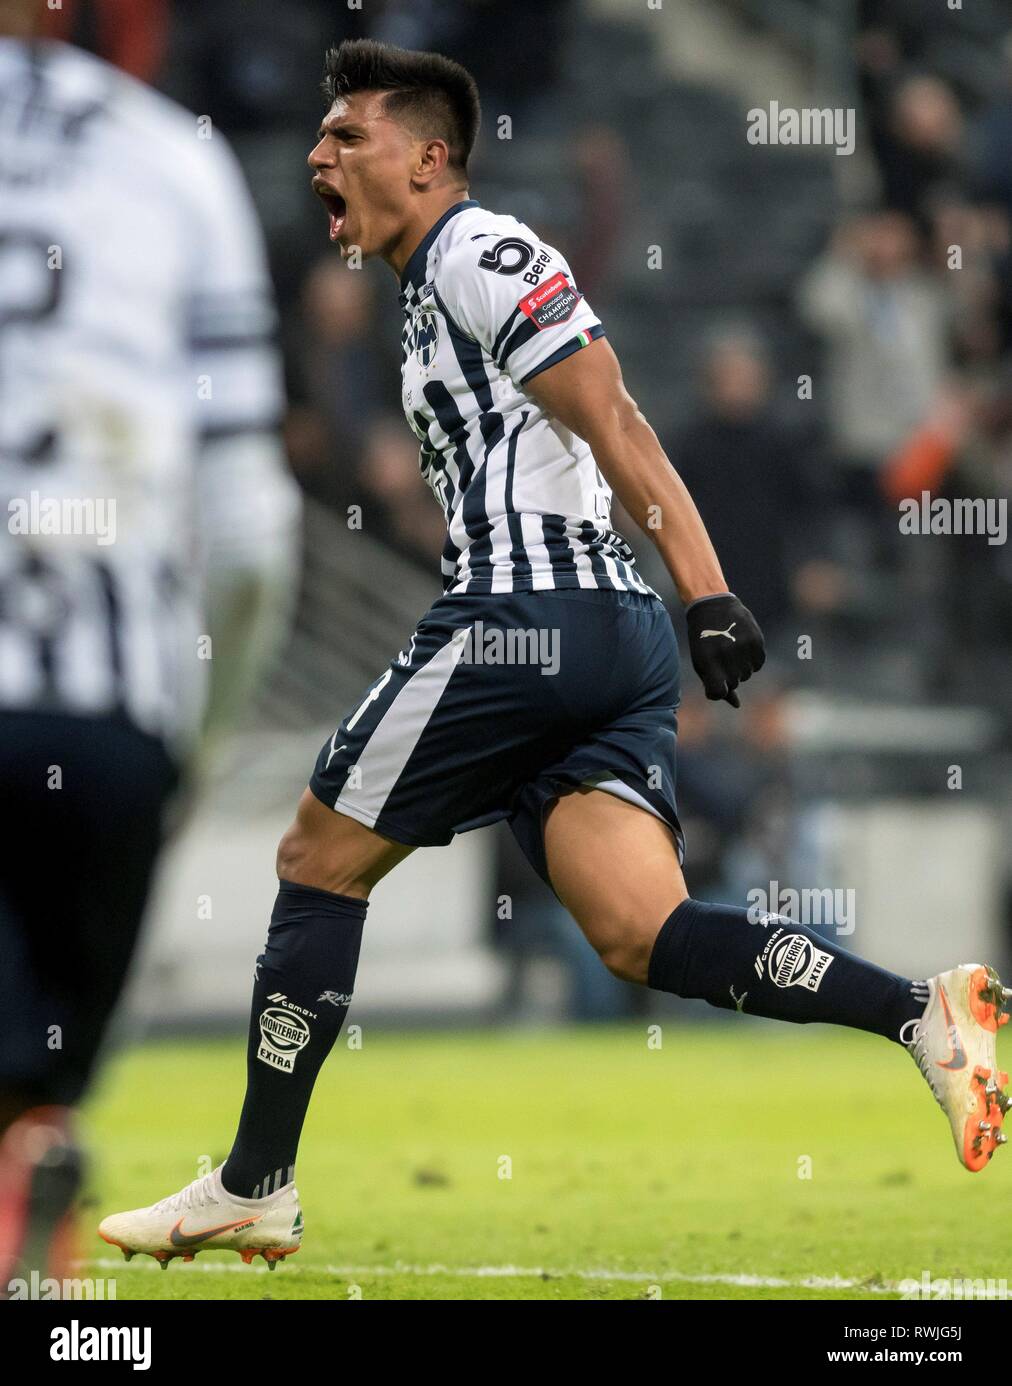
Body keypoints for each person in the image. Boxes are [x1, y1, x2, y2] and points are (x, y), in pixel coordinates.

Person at [100, 39, 1009, 1272]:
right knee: (644, 932)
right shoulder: (420, 294)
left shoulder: (481, 248)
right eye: (316, 135)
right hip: (599, 635)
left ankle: (256, 1180)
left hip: (531, 617)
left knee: (316, 856)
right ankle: (917, 1012)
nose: (317, 154)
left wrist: (709, 587)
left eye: (347, 135)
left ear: (429, 159)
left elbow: (613, 408)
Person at [0, 0, 299, 1291]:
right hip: (109, 724)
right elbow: (246, 541)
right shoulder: (177, 162)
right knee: (32, 1083)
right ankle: (34, 1192)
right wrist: (197, 739)